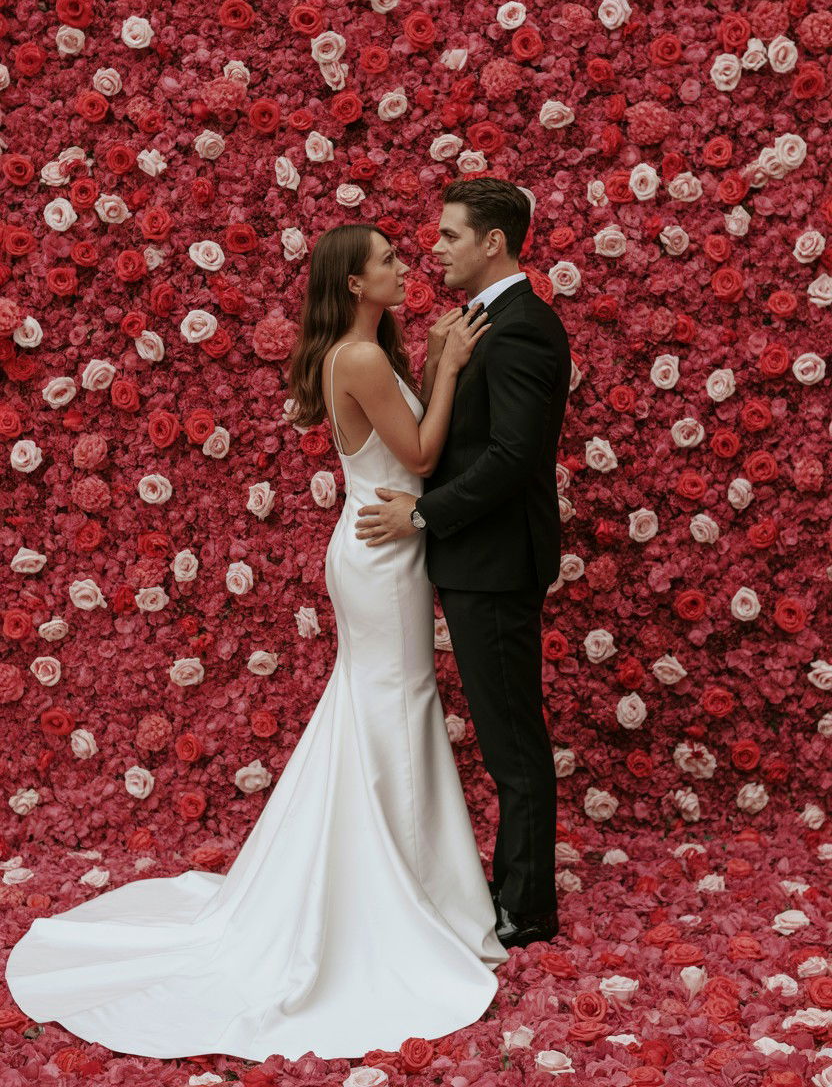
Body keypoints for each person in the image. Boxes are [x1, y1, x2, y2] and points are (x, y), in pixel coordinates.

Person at [4, 221, 507, 1063]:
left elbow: (405, 442)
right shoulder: (357, 359)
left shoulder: (362, 356)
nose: (402, 266)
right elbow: (419, 454)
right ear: (353, 283)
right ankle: (403, 896)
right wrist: (448, 367)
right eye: (386, 259)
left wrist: (429, 371)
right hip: (382, 557)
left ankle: (400, 881)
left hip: (382, 546)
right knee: (394, 699)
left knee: (382, 702)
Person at [354, 177, 571, 950]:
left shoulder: (520, 330)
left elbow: (512, 456)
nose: (434, 247)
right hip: (473, 560)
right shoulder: (482, 322)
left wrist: (421, 513)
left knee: (512, 740)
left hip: (495, 562)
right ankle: (511, 886)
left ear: (493, 243)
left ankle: (527, 908)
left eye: (449, 235)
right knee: (503, 731)